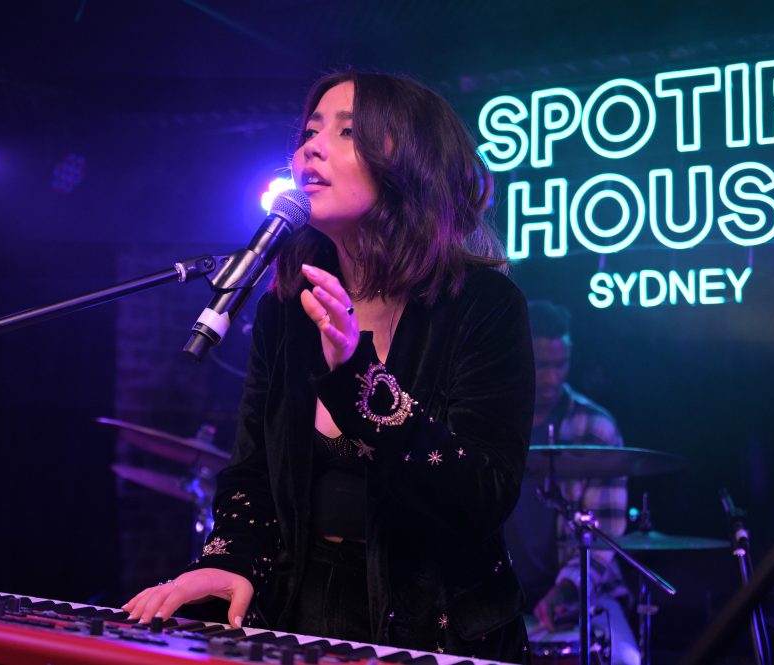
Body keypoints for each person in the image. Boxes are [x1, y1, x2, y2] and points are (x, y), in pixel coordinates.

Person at [123, 70, 535, 663]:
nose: (311, 146)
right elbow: (252, 476)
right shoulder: (286, 312)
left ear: (411, 163)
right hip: (302, 614)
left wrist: (359, 381)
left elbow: (482, 494)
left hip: (438, 632)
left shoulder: (484, 306)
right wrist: (228, 563)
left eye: (347, 132)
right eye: (310, 130)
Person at [503, 301, 640, 665]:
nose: (551, 379)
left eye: (560, 365)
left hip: (584, 591)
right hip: (499, 592)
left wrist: (568, 588)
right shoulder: (489, 422)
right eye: (541, 365)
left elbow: (605, 531)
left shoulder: (596, 428)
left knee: (625, 659)